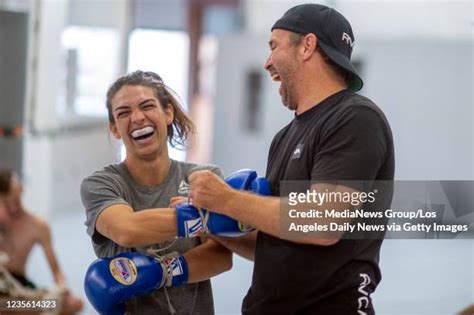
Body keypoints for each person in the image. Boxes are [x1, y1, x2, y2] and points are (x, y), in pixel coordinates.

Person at [187, 3, 395, 315]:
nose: (267, 62)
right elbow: (273, 244)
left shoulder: (355, 118)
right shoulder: (284, 137)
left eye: (273, 46)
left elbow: (323, 223)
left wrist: (225, 199)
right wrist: (209, 224)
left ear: (307, 46)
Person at [80, 70, 236, 314]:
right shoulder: (101, 184)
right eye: (124, 113)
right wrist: (201, 216)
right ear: (114, 129)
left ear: (168, 114)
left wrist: (161, 273)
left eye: (147, 106)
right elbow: (127, 229)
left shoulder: (204, 178)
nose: (138, 117)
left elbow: (220, 257)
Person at [0, 169, 84, 314]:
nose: (13, 207)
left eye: (16, 200)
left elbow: (56, 270)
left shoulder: (38, 226)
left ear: (21, 191)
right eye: (7, 202)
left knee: (75, 303)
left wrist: (63, 288)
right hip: (3, 285)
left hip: (19, 288)